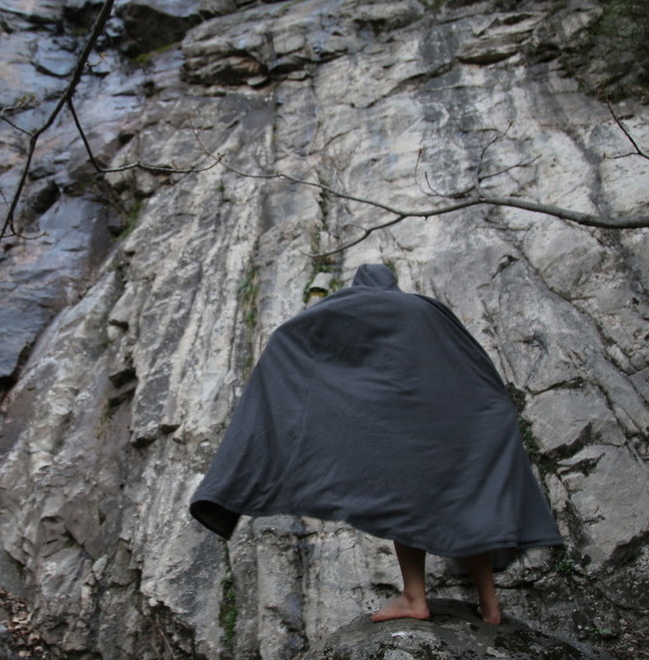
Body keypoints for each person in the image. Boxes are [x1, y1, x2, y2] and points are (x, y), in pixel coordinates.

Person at [189, 263, 562, 624]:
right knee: (471, 507)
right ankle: (490, 606)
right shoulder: (427, 309)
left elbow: (298, 336)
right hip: (465, 429)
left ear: (360, 284)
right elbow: (472, 362)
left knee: (401, 501)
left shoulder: (356, 302)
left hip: (408, 435)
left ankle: (415, 598)